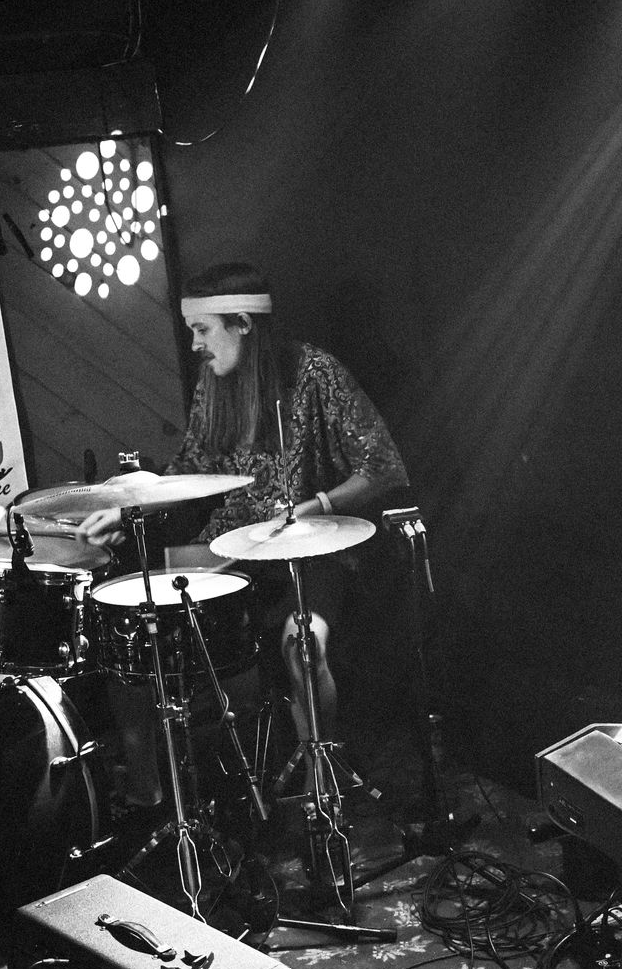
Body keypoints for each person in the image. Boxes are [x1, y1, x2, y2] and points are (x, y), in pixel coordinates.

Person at [78, 262, 411, 806]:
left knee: (303, 645)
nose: (195, 345)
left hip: (312, 551)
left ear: (243, 324)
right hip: (231, 547)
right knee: (134, 630)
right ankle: (147, 788)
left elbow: (383, 467)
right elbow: (190, 470)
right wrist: (127, 508)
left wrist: (318, 505)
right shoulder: (213, 386)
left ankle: (321, 783)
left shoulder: (315, 372)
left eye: (202, 329)